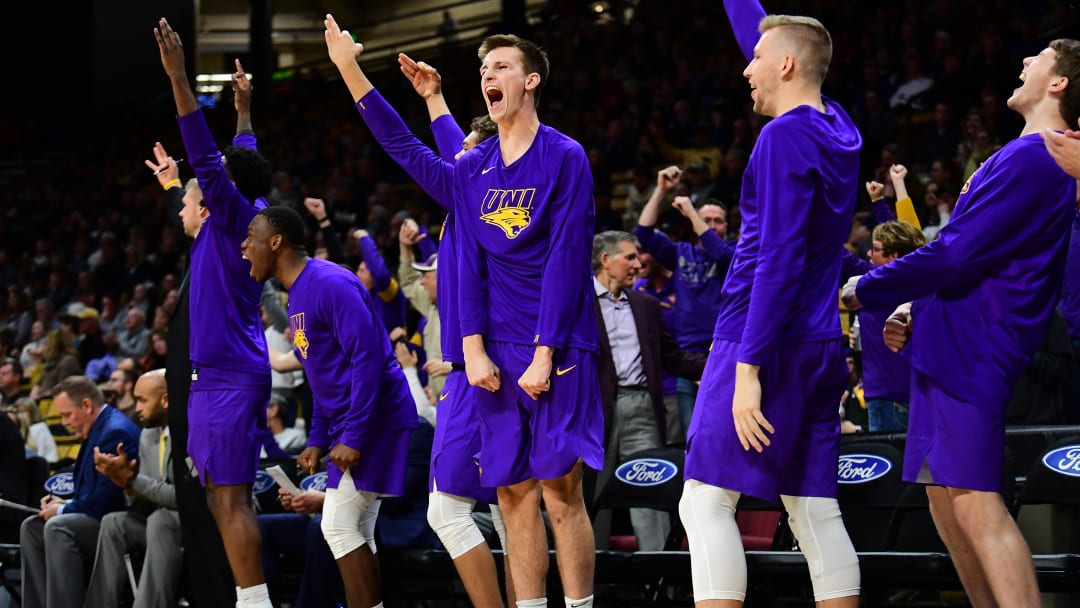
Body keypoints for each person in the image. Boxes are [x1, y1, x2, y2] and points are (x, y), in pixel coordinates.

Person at [324, 19, 603, 606]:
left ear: (530, 81)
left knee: (560, 492)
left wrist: (546, 353)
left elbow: (567, 262)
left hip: (558, 344)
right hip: (494, 350)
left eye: (500, 67)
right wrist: (350, 68)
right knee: (511, 495)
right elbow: (406, 153)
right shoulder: (472, 172)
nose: (488, 76)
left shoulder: (565, 156)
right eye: (483, 70)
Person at [843, 39, 1080, 607]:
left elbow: (953, 254)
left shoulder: (1035, 156)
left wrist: (866, 287)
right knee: (946, 504)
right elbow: (968, 256)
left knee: (975, 502)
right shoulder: (1019, 154)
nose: (1024, 61)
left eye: (1039, 57)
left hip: (975, 347)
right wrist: (915, 310)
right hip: (947, 338)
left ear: (1060, 83)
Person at [679, 1, 863, 606]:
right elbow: (774, 41)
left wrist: (747, 370)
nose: (745, 68)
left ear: (785, 64)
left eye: (756, 59)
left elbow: (778, 258)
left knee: (705, 499)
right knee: (812, 508)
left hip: (762, 341)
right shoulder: (839, 127)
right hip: (817, 345)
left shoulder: (782, 135)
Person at [155, 19, 273, 607]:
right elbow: (239, 152)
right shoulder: (243, 208)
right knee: (221, 499)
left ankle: (254, 603)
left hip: (225, 378)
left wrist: (178, 77)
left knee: (230, 501)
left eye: (195, 189)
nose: (188, 195)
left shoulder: (228, 215)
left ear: (214, 196)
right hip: (222, 377)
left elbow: (204, 147)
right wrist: (246, 111)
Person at [245, 205, 417, 608]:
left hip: (376, 419)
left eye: (250, 236)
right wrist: (319, 438)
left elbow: (368, 359)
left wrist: (353, 435)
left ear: (276, 242)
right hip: (353, 422)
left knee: (338, 527)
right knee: (357, 528)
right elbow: (323, 374)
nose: (243, 245)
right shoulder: (298, 294)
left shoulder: (330, 283)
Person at [397, 54, 512, 607]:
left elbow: (411, 147)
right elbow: (452, 146)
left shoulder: (479, 201)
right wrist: (432, 98)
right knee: (506, 506)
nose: (459, 152)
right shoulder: (474, 197)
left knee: (452, 511)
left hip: (480, 370)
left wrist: (355, 76)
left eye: (469, 146)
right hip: (480, 371)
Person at [590, 230, 706, 551]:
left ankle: (659, 580)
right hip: (595, 411)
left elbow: (673, 357)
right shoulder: (577, 302)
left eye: (637, 256)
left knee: (649, 489)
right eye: (629, 257)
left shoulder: (646, 306)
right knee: (594, 495)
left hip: (642, 405)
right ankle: (592, 578)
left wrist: (718, 367)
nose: (638, 263)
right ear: (605, 260)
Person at [19, 376, 141, 608]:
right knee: (32, 527)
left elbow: (109, 500)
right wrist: (65, 502)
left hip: (117, 524)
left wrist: (63, 509)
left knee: (58, 526)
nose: (64, 422)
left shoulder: (114, 433)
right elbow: (92, 492)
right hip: (96, 517)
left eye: (66, 415)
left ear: (86, 405)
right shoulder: (96, 428)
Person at [636, 170, 735, 439]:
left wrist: (693, 213)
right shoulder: (681, 253)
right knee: (692, 437)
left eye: (718, 221)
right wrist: (661, 190)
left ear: (727, 227)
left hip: (724, 354)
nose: (713, 226)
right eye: (707, 220)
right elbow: (643, 233)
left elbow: (718, 251)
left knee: (725, 433)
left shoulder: (736, 253)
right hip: (687, 359)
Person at [85, 369, 182, 608]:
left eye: (142, 400)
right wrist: (125, 485)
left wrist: (133, 480)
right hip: (157, 524)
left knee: (161, 520)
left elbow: (184, 499)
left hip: (195, 525)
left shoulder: (189, 435)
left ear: (166, 400)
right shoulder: (148, 435)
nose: (136, 408)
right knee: (113, 522)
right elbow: (145, 499)